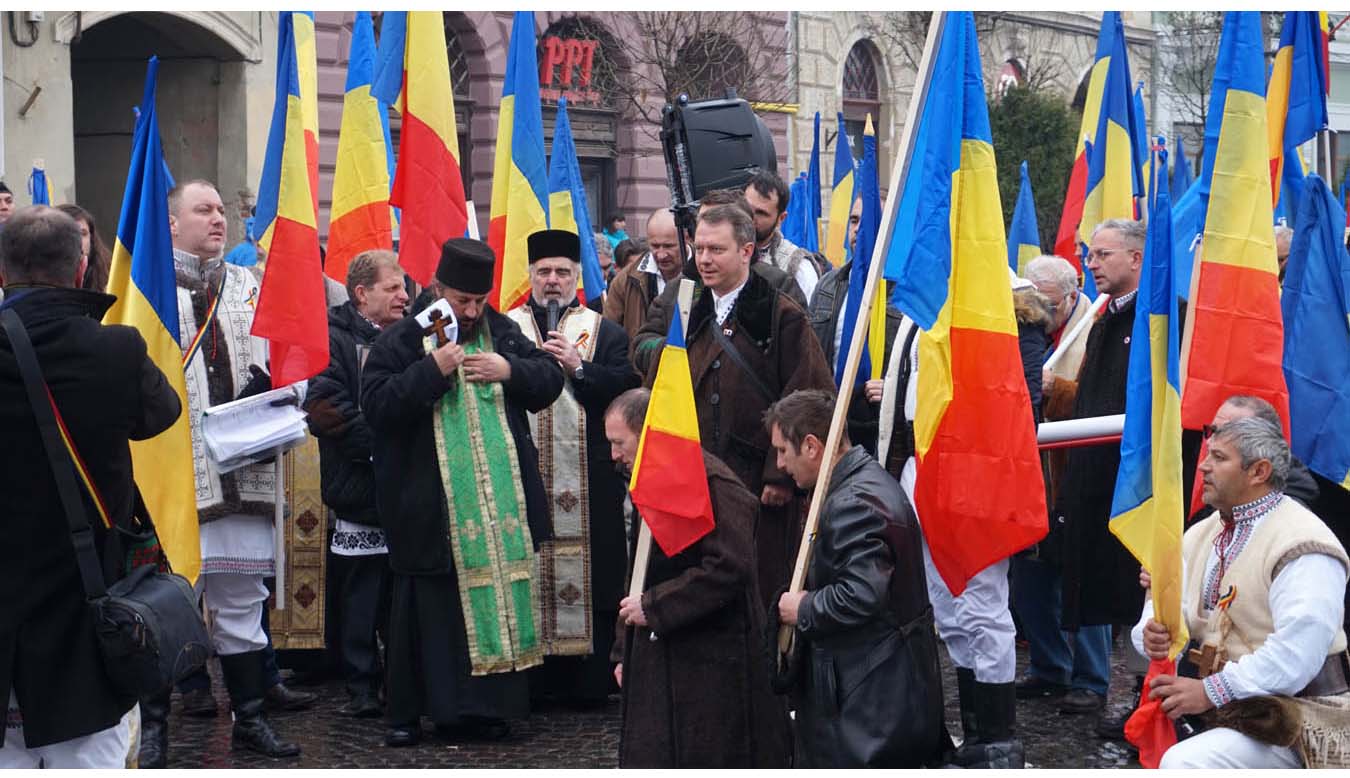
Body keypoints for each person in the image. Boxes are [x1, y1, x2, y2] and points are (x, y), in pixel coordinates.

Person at [362, 237, 564, 747]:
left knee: (490, 606)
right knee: (423, 615)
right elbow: (378, 408)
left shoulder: (502, 331)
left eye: (479, 301)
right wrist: (433, 371)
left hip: (499, 513)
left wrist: (510, 370)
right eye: (461, 302)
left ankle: (486, 711)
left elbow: (547, 381)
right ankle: (410, 714)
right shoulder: (403, 340)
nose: (472, 312)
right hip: (429, 511)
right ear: (438, 289)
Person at [0, 206, 182, 768]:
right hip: (87, 592)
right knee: (92, 756)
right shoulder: (116, 349)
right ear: (82, 268)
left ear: (2, 272)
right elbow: (162, 414)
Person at [136, 180, 302, 764]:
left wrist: (275, 388)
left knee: (241, 605)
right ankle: (153, 729)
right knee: (168, 606)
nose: (218, 220)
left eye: (222, 211)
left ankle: (250, 721)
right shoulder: (146, 291)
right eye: (203, 210)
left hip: (245, 472)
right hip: (177, 478)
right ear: (172, 223)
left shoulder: (249, 286)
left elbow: (285, 358)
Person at [1135, 416, 1349, 769]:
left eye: (1219, 458)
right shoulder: (1201, 533)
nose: (1203, 465)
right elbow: (1165, 605)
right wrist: (1153, 632)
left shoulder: (1304, 545)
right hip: (1233, 712)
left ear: (1258, 472)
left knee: (1185, 764)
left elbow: (1295, 657)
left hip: (1301, 720)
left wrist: (1209, 691)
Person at [604, 388, 788, 767]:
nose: (614, 455)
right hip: (670, 659)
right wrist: (625, 651)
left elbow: (730, 565)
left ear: (647, 432)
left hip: (716, 666)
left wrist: (656, 608)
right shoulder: (649, 479)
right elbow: (638, 576)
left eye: (619, 443)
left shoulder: (714, 483)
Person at [876, 307, 1027, 768]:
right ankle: (977, 733)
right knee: (946, 605)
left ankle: (999, 739)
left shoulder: (980, 293)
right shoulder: (918, 303)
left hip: (966, 464)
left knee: (980, 602)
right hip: (917, 460)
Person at [768, 390, 947, 767]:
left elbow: (860, 594)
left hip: (870, 702)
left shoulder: (855, 503)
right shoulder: (854, 486)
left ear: (813, 446)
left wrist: (803, 607)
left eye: (784, 451)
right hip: (873, 694)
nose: (780, 464)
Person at [504, 229, 638, 706]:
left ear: (577, 276)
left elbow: (625, 387)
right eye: (544, 272)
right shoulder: (508, 328)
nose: (553, 281)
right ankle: (533, 678)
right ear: (531, 276)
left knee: (595, 574)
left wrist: (580, 368)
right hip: (523, 479)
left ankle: (588, 679)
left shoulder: (605, 331)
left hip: (590, 480)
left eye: (562, 272)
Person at [1033, 218, 1150, 721]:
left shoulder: (1155, 318)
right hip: (1092, 472)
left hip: (1131, 478)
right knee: (1101, 587)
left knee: (1136, 596)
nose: (1093, 264)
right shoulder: (1105, 319)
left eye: (1103, 255)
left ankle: (1143, 699)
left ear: (1137, 258)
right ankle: (1124, 696)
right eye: (1091, 254)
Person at [303, 249, 407, 719]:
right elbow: (328, 407)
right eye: (394, 287)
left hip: (406, 488)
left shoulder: (411, 337)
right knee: (362, 596)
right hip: (359, 485)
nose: (405, 295)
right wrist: (383, 450)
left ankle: (400, 680)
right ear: (363, 295)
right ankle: (361, 684)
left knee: (400, 594)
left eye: (405, 287)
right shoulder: (332, 339)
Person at [628, 190, 807, 375]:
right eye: (705, 220)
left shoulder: (777, 285)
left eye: (720, 221)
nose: (710, 227)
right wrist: (677, 349)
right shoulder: (680, 288)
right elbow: (641, 345)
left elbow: (801, 363)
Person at [807, 196, 901, 454]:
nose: (859, 228)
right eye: (854, 220)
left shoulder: (907, 293)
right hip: (832, 422)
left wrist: (896, 389)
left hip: (884, 431)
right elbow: (810, 355)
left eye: (869, 221)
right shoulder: (827, 285)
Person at [744, 170, 829, 301]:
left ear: (781, 219)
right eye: (747, 208)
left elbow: (808, 318)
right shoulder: (719, 250)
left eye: (761, 213)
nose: (750, 217)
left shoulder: (799, 267)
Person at [603, 209, 684, 343]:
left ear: (685, 238)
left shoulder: (705, 274)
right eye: (655, 246)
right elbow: (608, 336)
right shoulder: (624, 281)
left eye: (669, 246)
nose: (661, 254)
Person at [55, 204, 112, 293]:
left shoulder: (111, 278)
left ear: (92, 239)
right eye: (69, 233)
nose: (78, 240)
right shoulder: (41, 280)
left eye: (83, 233)